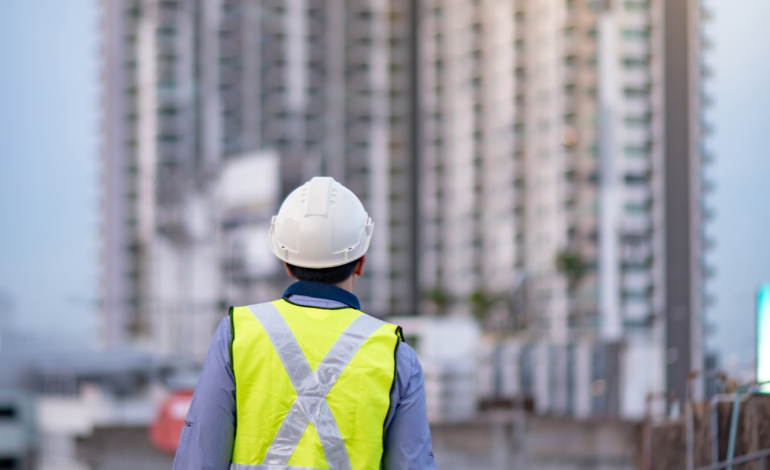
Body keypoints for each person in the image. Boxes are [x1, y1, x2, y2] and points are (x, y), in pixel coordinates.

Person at [173, 177, 435, 470]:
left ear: (285, 262)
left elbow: (199, 459)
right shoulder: (394, 355)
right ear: (360, 262)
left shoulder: (237, 335)